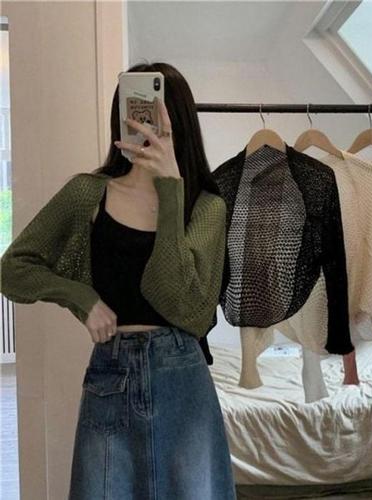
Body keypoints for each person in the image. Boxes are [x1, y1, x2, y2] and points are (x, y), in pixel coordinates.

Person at [0, 61, 236, 499]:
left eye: (158, 116)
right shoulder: (88, 193)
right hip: (111, 375)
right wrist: (80, 297)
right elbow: (12, 269)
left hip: (182, 378)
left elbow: (190, 312)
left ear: (179, 123)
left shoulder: (206, 207)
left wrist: (170, 191)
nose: (147, 126)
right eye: (137, 111)